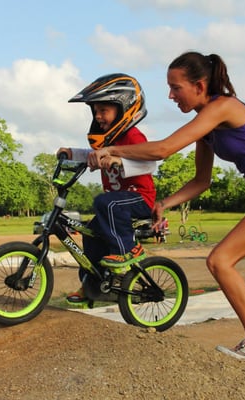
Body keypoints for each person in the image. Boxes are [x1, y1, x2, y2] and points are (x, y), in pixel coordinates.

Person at [90, 51, 245, 399]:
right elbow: (202, 180)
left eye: (175, 88)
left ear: (199, 85)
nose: (170, 95)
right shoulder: (206, 127)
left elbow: (164, 149)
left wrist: (112, 150)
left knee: (219, 260)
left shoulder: (223, 106)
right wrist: (164, 203)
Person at [61, 73, 157, 304]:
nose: (98, 116)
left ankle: (128, 250)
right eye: (95, 111)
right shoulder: (104, 140)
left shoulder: (133, 136)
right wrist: (72, 154)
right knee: (91, 235)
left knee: (105, 202)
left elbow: (150, 163)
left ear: (123, 109)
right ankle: (91, 286)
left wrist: (118, 160)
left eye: (103, 110)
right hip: (115, 205)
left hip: (139, 199)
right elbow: (92, 155)